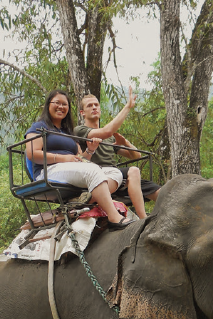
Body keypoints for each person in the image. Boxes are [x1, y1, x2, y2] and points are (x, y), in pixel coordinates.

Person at [23, 88, 129, 228]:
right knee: (92, 170)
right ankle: (114, 217)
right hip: (48, 171)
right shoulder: (39, 127)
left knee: (114, 173)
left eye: (64, 104)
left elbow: (80, 159)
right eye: (57, 103)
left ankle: (84, 200)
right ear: (48, 104)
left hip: (70, 169)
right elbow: (32, 153)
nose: (61, 107)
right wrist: (62, 158)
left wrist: (90, 151)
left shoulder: (68, 132)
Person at [73, 87, 151, 220]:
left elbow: (136, 156)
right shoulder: (80, 130)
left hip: (114, 174)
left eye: (96, 105)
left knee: (135, 171)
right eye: (89, 106)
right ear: (82, 113)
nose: (94, 108)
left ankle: (143, 218)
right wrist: (127, 107)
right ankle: (92, 197)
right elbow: (106, 132)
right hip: (95, 174)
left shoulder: (109, 138)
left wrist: (125, 142)